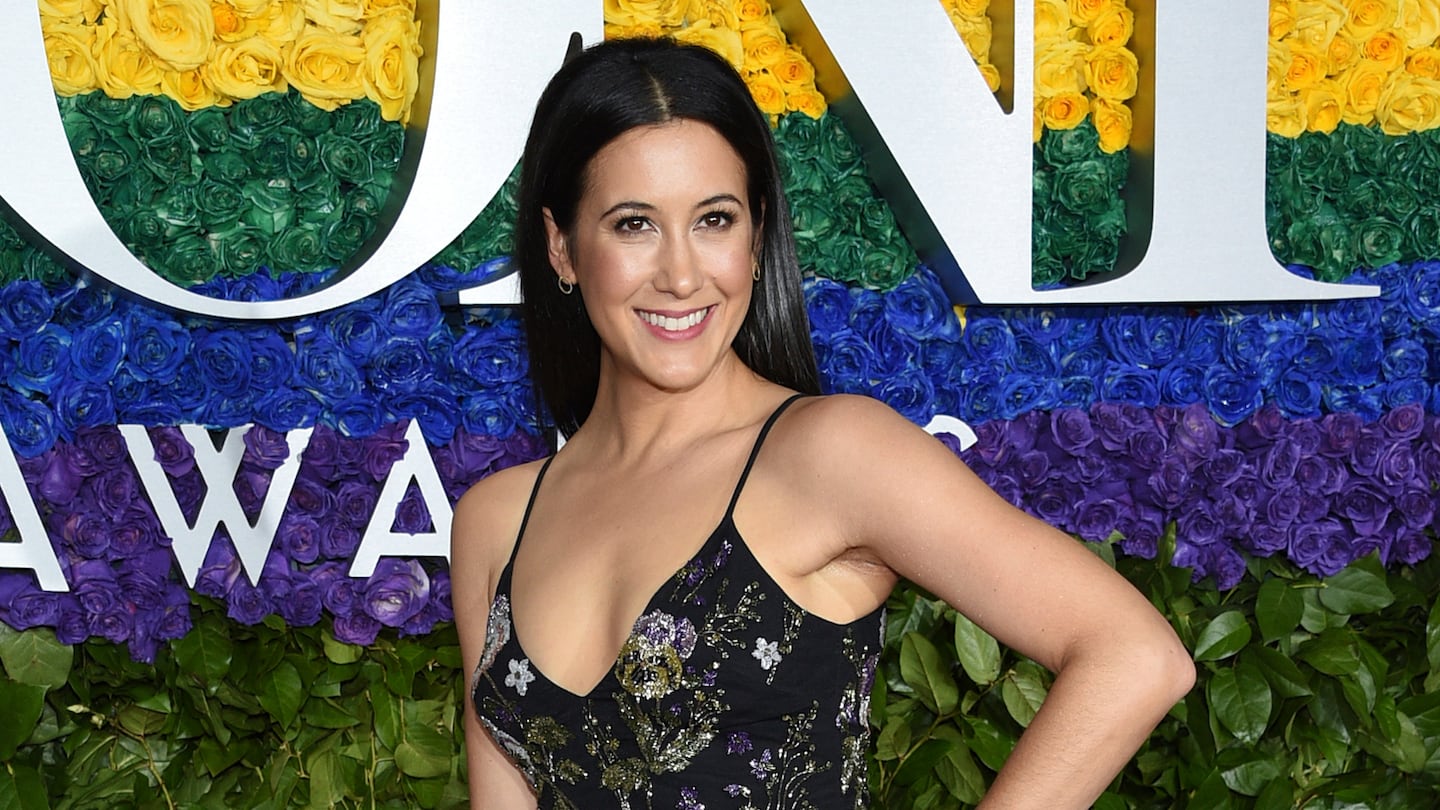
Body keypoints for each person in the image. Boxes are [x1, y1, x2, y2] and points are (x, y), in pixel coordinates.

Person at [452, 37, 1194, 809]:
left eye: (713, 219)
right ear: (562, 247)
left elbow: (1135, 655)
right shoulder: (496, 521)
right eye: (634, 225)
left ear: (757, 236)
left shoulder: (831, 454)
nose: (679, 274)